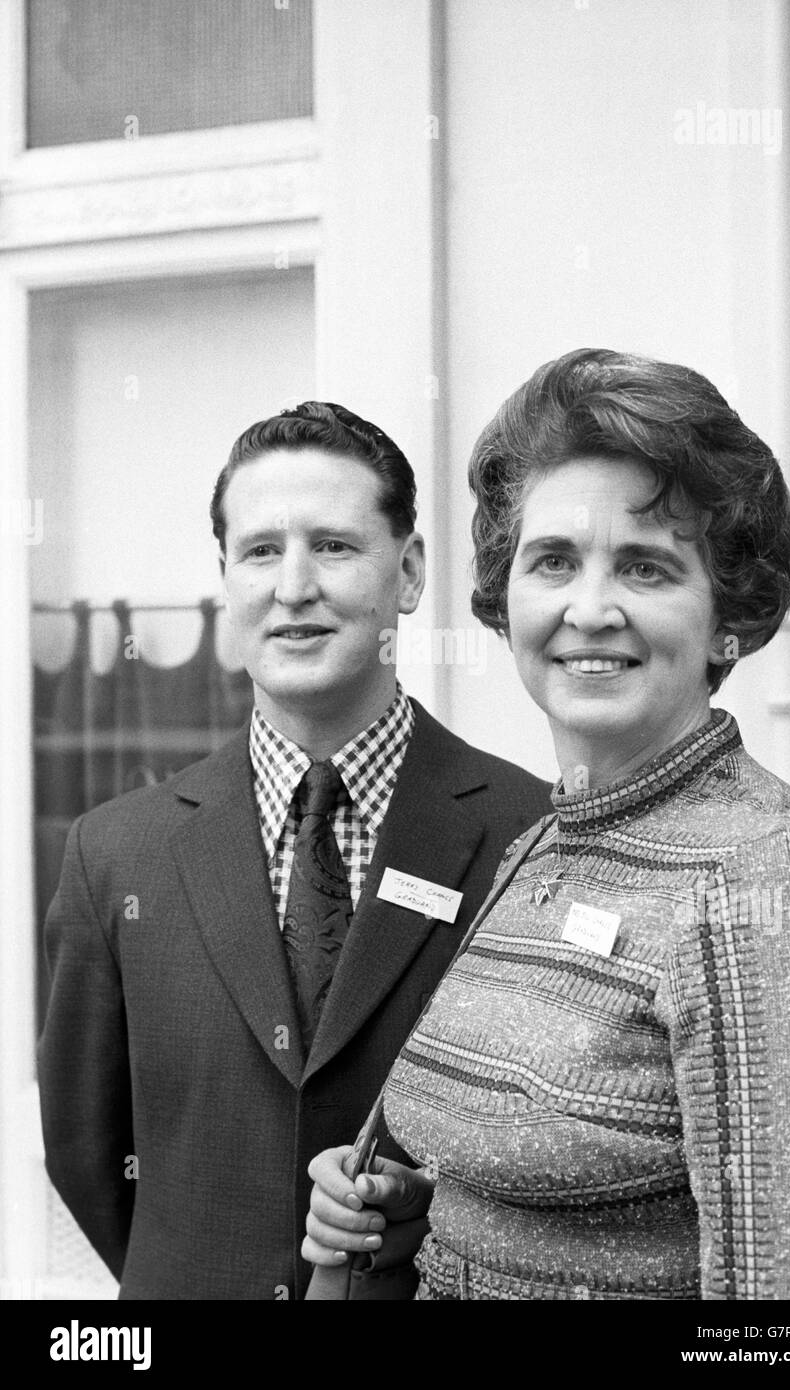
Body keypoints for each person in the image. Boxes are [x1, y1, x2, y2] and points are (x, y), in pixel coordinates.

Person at [303, 350, 790, 1300]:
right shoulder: (549, 834)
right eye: (554, 561)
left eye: (645, 568)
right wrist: (409, 1207)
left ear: (728, 613)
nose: (590, 608)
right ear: (506, 594)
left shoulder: (763, 871)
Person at [37, 401, 551, 1300]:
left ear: (410, 572)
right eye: (262, 551)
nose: (294, 585)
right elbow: (88, 1152)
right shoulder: (115, 854)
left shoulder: (529, 834)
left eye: (336, 546)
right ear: (228, 580)